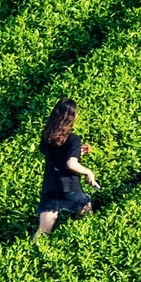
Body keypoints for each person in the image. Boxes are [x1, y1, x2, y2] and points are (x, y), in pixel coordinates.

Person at [35, 97, 99, 237]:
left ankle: (31, 255)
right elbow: (71, 164)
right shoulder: (73, 139)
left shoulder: (47, 136)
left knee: (42, 232)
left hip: (50, 187)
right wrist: (89, 172)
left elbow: (48, 152)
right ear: (72, 117)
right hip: (69, 188)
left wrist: (76, 151)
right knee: (88, 222)